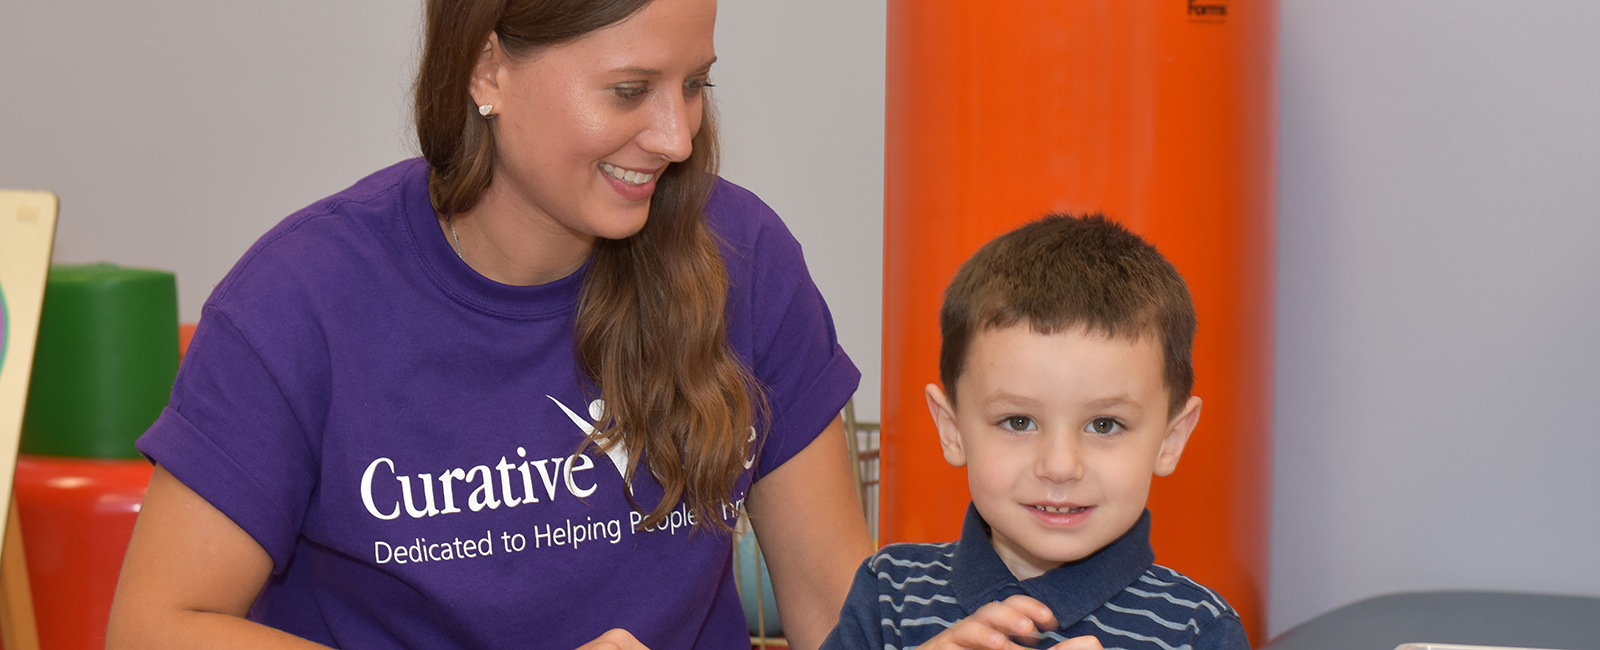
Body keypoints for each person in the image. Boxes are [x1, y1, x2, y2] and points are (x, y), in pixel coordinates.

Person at [104, 0, 872, 648]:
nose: (676, 137)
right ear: (487, 70)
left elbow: (836, 611)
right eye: (629, 89)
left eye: (695, 84)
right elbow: (155, 626)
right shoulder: (301, 300)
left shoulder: (744, 258)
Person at [821, 214, 1250, 650]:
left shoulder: (1201, 631)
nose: (1060, 466)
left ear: (1170, 440)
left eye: (1104, 425)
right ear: (952, 429)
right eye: (1018, 422)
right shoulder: (888, 595)